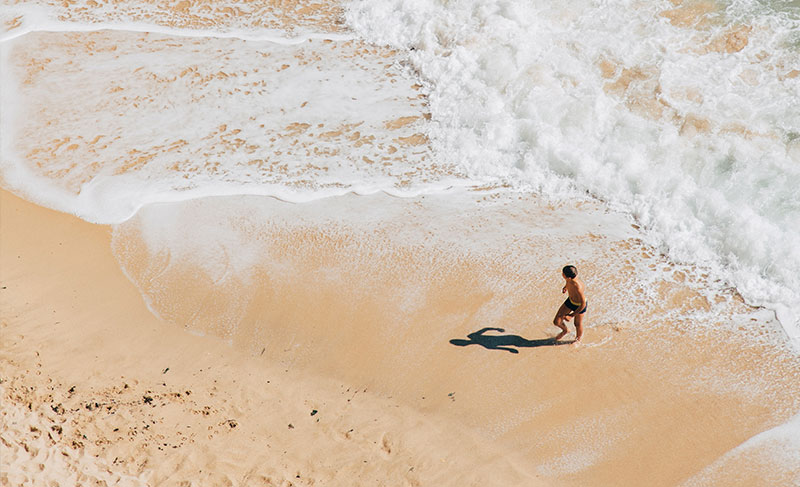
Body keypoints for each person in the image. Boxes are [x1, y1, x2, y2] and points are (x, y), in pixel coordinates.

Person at [552, 265, 587, 344]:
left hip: (579, 305)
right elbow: (568, 282)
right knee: (557, 322)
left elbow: (583, 303)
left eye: (563, 273)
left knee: (577, 324)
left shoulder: (578, 287)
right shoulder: (570, 279)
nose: (562, 274)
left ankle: (578, 340)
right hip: (570, 301)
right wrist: (566, 287)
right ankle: (565, 330)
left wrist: (571, 315)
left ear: (568, 277)